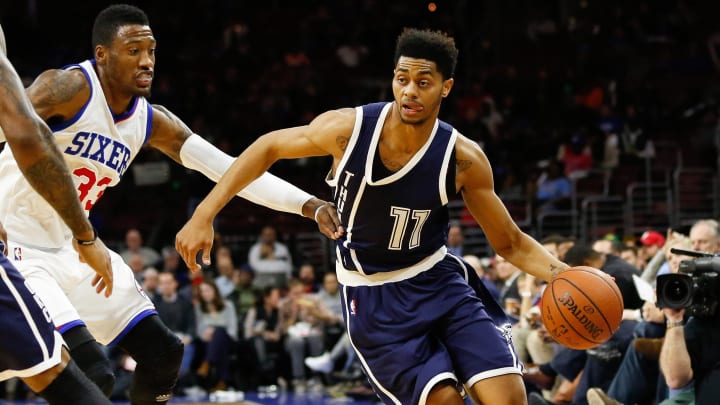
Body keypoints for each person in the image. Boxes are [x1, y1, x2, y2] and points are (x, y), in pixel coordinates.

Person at [176, 27, 573, 405]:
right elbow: (267, 147)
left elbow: (510, 243)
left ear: (446, 88)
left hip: (439, 282)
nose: (409, 91)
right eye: (402, 79)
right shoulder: (348, 129)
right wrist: (204, 214)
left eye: (424, 81)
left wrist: (566, 276)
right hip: (374, 298)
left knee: (508, 396)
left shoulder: (463, 159)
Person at [0, 5, 341, 404]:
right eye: (133, 51)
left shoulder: (150, 121)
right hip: (19, 247)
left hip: (77, 248)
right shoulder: (69, 87)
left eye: (152, 50)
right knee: (95, 372)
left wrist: (309, 204)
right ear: (103, 55)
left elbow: (228, 169)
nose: (146, 61)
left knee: (164, 354)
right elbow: (12, 123)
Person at [0, 24, 112, 404]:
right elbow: (27, 135)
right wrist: (87, 236)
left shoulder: (147, 118)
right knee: (66, 375)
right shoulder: (65, 85)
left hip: (56, 252)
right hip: (29, 248)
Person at [248, 225, 294, 289]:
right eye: (266, 234)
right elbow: (253, 265)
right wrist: (270, 260)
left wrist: (289, 277)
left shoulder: (282, 248)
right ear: (262, 235)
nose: (268, 237)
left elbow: (288, 264)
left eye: (270, 234)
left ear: (275, 235)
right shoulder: (255, 249)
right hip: (261, 280)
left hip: (281, 281)